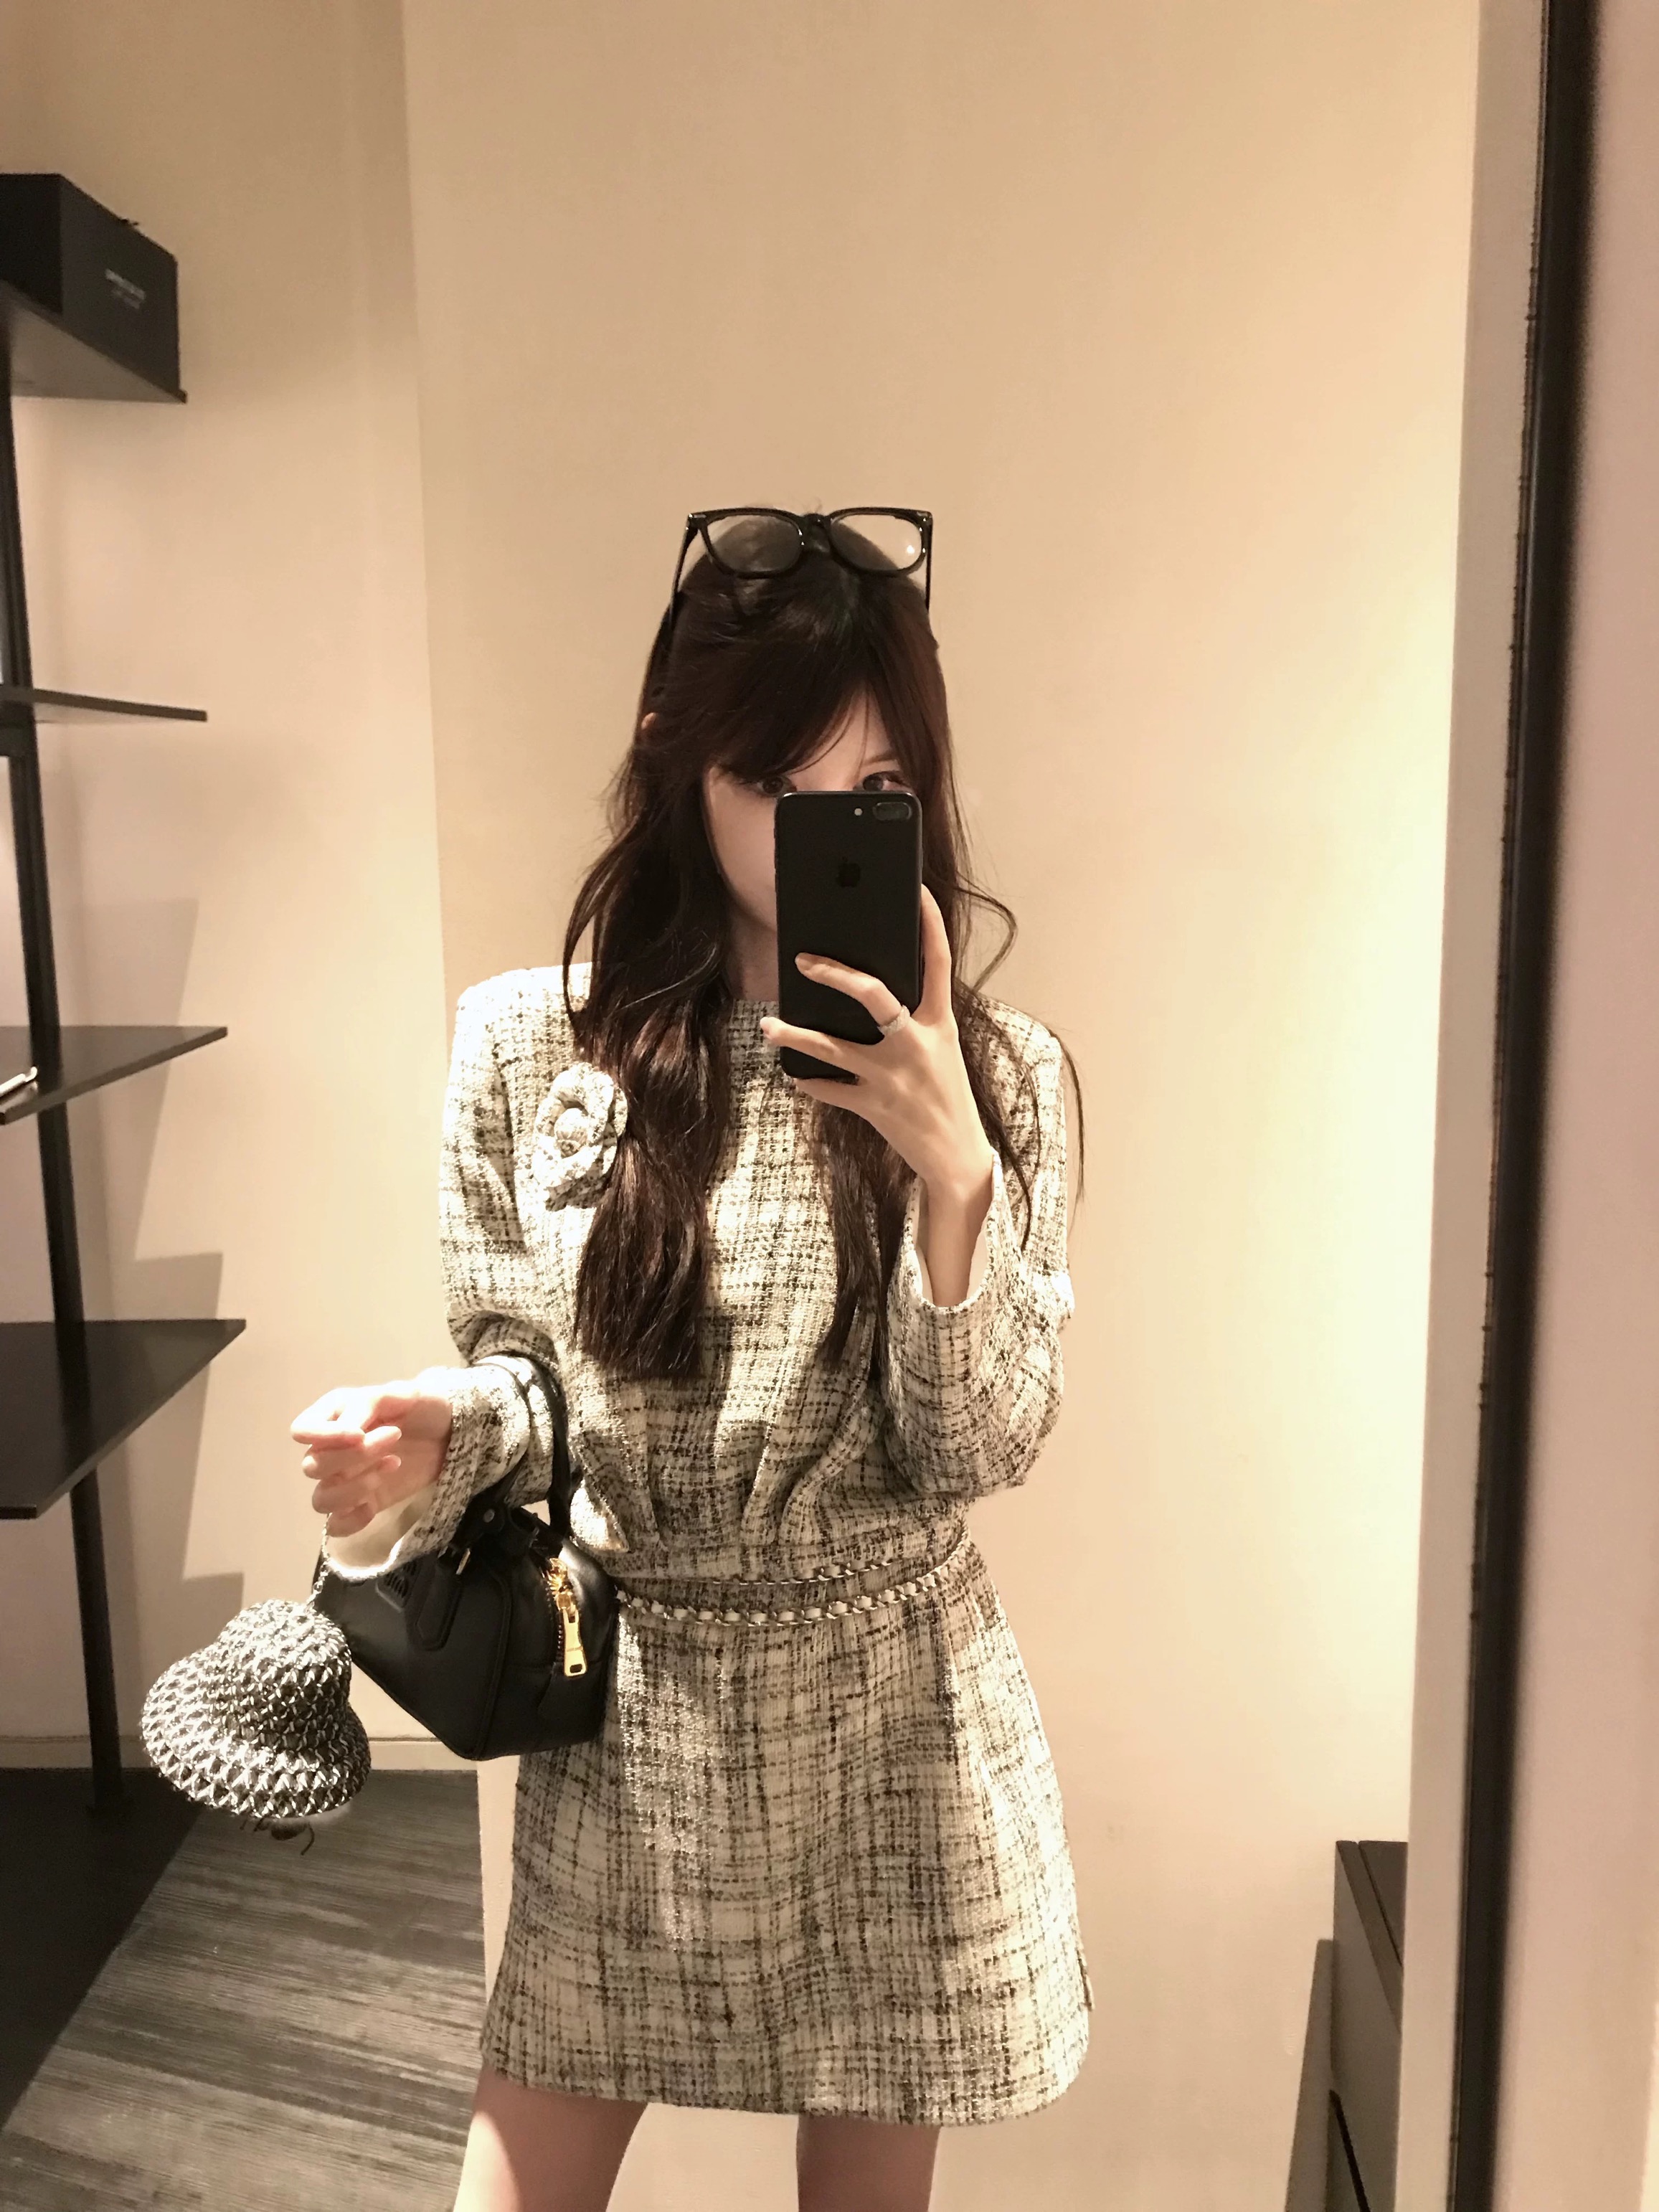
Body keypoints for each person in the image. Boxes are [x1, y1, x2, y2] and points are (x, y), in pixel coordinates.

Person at [290, 509, 1093, 2212]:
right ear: (678, 757)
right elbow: (532, 1387)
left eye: (868, 784)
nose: (815, 827)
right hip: (637, 1724)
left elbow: (976, 1448)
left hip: (898, 1732)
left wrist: (952, 1176)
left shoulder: (999, 1076)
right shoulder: (531, 1040)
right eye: (770, 779)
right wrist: (442, 1427)